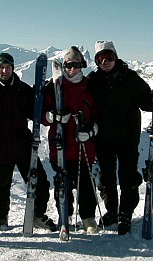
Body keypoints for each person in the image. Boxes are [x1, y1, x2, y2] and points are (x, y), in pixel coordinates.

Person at [87, 41, 153, 235]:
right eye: (101, 58)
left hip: (128, 137)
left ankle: (126, 212)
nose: (106, 61)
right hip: (103, 137)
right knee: (106, 177)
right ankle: (111, 211)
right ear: (96, 61)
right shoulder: (92, 81)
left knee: (128, 176)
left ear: (115, 57)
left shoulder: (130, 78)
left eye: (109, 57)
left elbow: (147, 103)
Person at [0, 53, 56, 232]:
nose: (5, 71)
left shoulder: (22, 89)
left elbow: (35, 113)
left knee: (40, 180)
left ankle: (36, 215)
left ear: (13, 68)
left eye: (8, 67)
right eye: (1, 68)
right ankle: (0, 217)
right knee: (0, 185)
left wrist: (45, 101)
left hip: (22, 142)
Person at [42, 46, 99, 234]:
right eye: (68, 65)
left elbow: (99, 118)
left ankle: (88, 218)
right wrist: (53, 116)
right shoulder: (54, 86)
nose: (72, 69)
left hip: (84, 146)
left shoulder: (90, 87)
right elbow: (41, 116)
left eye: (76, 65)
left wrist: (90, 131)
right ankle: (64, 215)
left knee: (85, 184)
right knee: (62, 183)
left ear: (82, 65)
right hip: (60, 145)